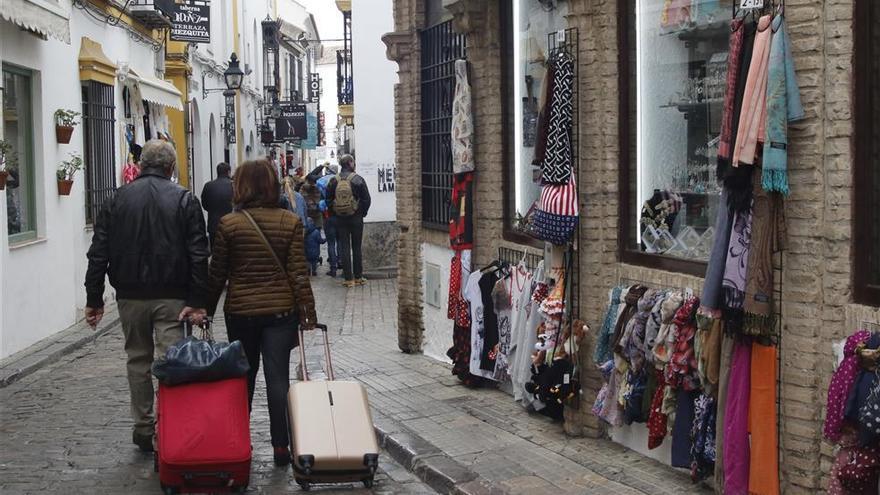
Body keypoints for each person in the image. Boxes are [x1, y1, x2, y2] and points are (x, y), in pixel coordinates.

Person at [84, 140, 210, 453]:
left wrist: (94, 298)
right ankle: (172, 424)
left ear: (141, 166)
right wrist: (197, 300)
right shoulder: (184, 199)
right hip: (172, 297)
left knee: (137, 360)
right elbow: (198, 254)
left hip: (130, 297)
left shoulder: (116, 200)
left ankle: (143, 427)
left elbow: (98, 253)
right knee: (173, 361)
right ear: (171, 167)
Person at [206, 159, 317, 467]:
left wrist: (206, 308)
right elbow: (298, 273)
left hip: (241, 312)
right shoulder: (289, 221)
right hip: (281, 312)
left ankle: (237, 441)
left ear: (240, 185)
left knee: (243, 377)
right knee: (277, 378)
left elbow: (217, 274)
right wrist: (307, 313)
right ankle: (281, 447)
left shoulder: (228, 224)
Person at [326, 154, 371, 288]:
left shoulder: (334, 180)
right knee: (356, 247)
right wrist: (362, 212)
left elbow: (328, 199)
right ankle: (358, 277)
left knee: (344, 246)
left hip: (340, 218)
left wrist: (336, 211)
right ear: (351, 163)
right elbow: (366, 199)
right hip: (356, 217)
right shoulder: (358, 179)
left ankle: (348, 279)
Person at [200, 162, 234, 247]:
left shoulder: (208, 186)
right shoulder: (234, 185)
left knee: (215, 252)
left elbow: (204, 204)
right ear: (229, 172)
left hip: (214, 225)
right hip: (231, 225)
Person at [317, 164, 339, 277]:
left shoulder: (321, 182)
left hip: (327, 215)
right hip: (340, 215)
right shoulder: (340, 180)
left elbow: (311, 176)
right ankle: (342, 264)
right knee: (340, 241)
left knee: (331, 243)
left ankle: (333, 268)